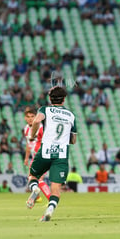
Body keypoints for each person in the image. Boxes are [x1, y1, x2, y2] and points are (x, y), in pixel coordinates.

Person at [25, 86, 77, 222]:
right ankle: (49, 210)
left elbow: (36, 121)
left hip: (45, 151)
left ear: (50, 98)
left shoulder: (45, 109)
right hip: (61, 156)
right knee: (55, 189)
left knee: (32, 176)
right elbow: (73, 140)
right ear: (64, 99)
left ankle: (35, 190)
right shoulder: (71, 115)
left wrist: (32, 135)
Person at [23, 107, 51, 203]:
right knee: (33, 178)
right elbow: (28, 144)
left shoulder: (41, 128)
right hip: (35, 156)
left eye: (32, 116)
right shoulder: (26, 129)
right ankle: (38, 198)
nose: (30, 118)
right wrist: (26, 158)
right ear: (25, 118)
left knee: (36, 178)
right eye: (28, 116)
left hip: (42, 155)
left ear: (36, 117)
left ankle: (51, 200)